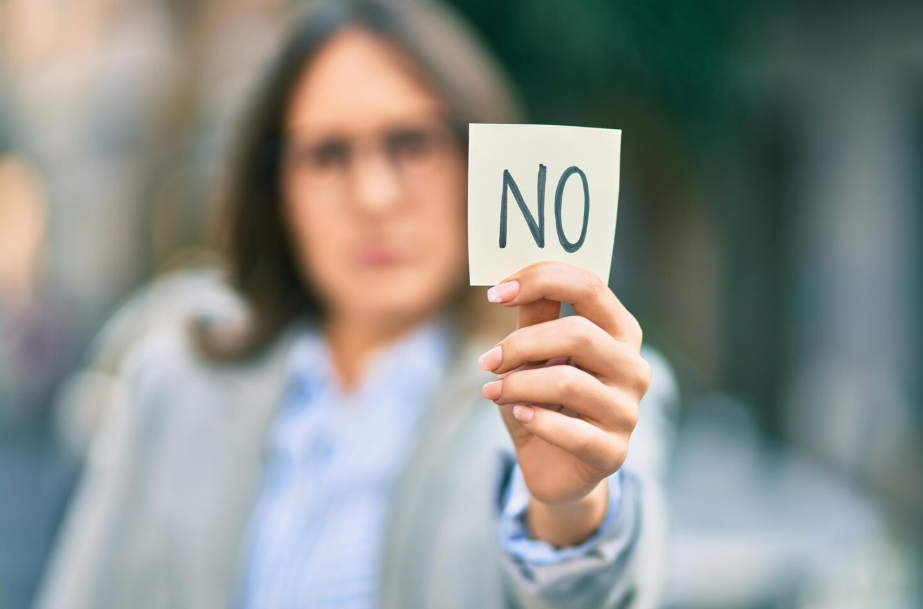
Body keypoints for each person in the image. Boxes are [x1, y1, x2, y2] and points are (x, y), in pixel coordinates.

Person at [35, 1, 678, 608]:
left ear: (476, 162)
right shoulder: (173, 384)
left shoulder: (576, 387)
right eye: (327, 154)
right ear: (278, 190)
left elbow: (602, 588)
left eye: (411, 144)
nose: (373, 196)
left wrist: (569, 513)